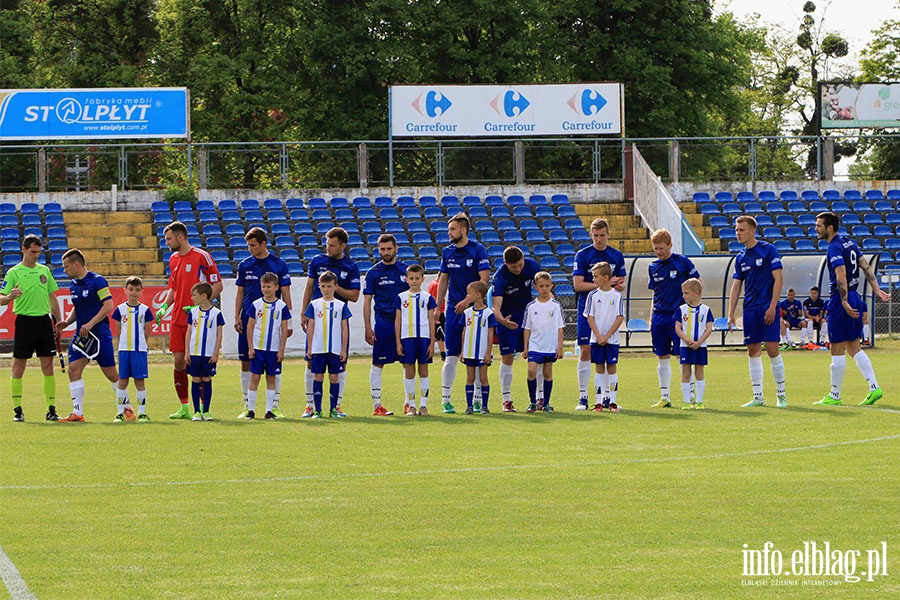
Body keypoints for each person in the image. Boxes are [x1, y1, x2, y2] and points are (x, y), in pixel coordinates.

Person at [812, 212, 890, 406]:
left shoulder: (834, 247)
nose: (816, 228)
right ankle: (874, 387)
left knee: (836, 347)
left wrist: (844, 301)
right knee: (853, 347)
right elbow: (865, 266)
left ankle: (835, 395)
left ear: (830, 228)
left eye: (819, 225)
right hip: (855, 295)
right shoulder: (849, 242)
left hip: (842, 299)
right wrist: (877, 290)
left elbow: (841, 273)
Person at [156, 221, 222, 419]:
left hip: (199, 320)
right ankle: (184, 406)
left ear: (180, 237)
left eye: (168, 238)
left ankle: (203, 408)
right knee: (178, 362)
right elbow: (174, 288)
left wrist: (200, 306)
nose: (166, 242)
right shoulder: (173, 259)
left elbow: (217, 285)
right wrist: (165, 307)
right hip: (178, 317)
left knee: (198, 363)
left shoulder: (202, 257)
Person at [727, 215, 788, 408]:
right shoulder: (740, 258)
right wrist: (730, 313)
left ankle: (781, 394)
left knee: (772, 350)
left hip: (767, 307)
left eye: (741, 230)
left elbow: (778, 279)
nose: (738, 233)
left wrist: (772, 307)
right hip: (750, 310)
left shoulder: (768, 250)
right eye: (737, 230)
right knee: (752, 350)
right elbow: (736, 286)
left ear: (752, 231)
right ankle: (758, 396)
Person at [0, 234, 62, 422]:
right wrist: (10, 297)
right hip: (25, 323)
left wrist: (58, 322)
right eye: (33, 252)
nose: (36, 256)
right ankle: (18, 410)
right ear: (24, 249)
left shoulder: (44, 270)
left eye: (39, 252)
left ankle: (51, 409)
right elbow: (1, 297)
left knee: (48, 366)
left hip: (44, 322)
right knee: (19, 366)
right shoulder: (14, 273)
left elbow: (52, 297)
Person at [300, 227, 359, 417]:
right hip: (316, 320)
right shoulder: (317, 261)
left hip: (337, 320)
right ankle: (310, 404)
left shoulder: (350, 266)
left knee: (340, 364)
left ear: (343, 245)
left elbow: (355, 296)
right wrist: (303, 312)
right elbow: (309, 287)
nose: (329, 248)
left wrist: (335, 288)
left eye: (333, 245)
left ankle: (337, 405)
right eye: (327, 244)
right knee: (311, 363)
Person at [234, 227, 292, 419]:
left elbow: (286, 293)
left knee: (274, 363)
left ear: (263, 244)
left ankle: (273, 406)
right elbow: (240, 292)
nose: (249, 248)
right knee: (245, 362)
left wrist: (288, 321)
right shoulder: (244, 265)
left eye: (252, 245)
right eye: (248, 245)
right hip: (249, 319)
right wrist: (236, 316)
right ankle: (247, 405)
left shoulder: (278, 264)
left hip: (273, 322)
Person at [436, 213, 491, 414]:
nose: (449, 233)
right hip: (453, 309)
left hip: (475, 310)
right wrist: (438, 305)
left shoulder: (477, 250)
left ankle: (477, 399)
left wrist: (468, 300)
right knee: (450, 355)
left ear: (463, 230)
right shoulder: (447, 252)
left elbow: (484, 281)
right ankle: (446, 399)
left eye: (452, 229)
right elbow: (443, 280)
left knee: (476, 356)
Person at [55, 249, 119, 422]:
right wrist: (67, 322)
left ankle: (126, 408)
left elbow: (108, 305)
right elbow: (78, 307)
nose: (65, 270)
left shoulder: (97, 281)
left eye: (66, 267)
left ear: (77, 264)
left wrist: (91, 323)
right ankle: (77, 412)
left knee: (111, 374)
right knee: (73, 370)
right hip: (82, 336)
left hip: (99, 335)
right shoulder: (74, 284)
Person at [573, 218, 626, 410]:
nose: (599, 239)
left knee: (605, 356)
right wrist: (602, 284)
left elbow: (620, 283)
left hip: (608, 312)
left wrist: (616, 285)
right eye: (595, 236)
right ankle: (583, 396)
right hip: (587, 309)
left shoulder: (616, 255)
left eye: (602, 235)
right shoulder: (583, 254)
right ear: (591, 235)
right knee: (586, 350)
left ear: (608, 234)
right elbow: (578, 285)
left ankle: (606, 399)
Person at [646, 228, 700, 408]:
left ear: (670, 245)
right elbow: (655, 293)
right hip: (659, 317)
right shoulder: (653, 267)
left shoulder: (682, 262)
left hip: (678, 317)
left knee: (681, 355)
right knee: (661, 356)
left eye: (661, 248)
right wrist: (650, 317)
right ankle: (665, 396)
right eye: (655, 249)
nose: (658, 252)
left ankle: (691, 396)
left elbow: (697, 285)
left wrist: (692, 309)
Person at [364, 233, 409, 416]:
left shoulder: (405, 271)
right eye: (382, 249)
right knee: (378, 363)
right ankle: (377, 405)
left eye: (389, 248)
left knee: (407, 363)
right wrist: (368, 327)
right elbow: (367, 301)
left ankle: (409, 403)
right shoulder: (373, 273)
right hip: (383, 322)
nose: (386, 252)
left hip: (405, 323)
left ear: (396, 249)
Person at [491, 246, 541, 413]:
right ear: (506, 264)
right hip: (508, 319)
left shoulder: (532, 266)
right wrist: (503, 321)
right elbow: (496, 308)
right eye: (514, 267)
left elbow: (544, 287)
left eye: (520, 265)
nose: (518, 269)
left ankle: (540, 398)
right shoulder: (500, 277)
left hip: (529, 318)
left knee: (537, 356)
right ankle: (506, 400)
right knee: (507, 358)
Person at [304, 271, 351, 419]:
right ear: (319, 286)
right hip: (318, 348)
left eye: (329, 286)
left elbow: (345, 328)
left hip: (335, 349)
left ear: (336, 286)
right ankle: (317, 410)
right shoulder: (314, 305)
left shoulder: (341, 305)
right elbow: (310, 327)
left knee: (334, 377)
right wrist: (310, 347)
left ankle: (333, 409)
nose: (326, 289)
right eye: (323, 286)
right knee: (317, 376)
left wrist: (343, 349)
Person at [245, 272, 292, 420]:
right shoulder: (256, 305)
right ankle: (250, 410)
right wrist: (251, 347)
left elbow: (285, 330)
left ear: (276, 287)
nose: (266, 289)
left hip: (273, 349)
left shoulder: (282, 306)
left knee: (271, 378)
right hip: (258, 348)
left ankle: (269, 410)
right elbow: (250, 327)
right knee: (255, 377)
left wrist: (282, 350)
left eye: (269, 286)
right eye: (263, 286)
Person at [395, 263, 437, 416]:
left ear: (423, 279)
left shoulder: (428, 298)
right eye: (411, 278)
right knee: (409, 370)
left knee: (424, 369)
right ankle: (411, 405)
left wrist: (432, 343)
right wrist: (398, 341)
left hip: (424, 338)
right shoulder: (401, 297)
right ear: (406, 279)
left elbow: (432, 321)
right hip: (407, 338)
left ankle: (423, 405)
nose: (414, 281)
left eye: (417, 278)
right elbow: (398, 320)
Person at [110, 276, 154, 422]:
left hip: (139, 350)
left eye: (137, 290)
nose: (134, 292)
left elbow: (147, 331)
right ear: (125, 290)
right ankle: (120, 412)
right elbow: (118, 331)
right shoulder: (120, 310)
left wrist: (142, 344)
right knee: (122, 381)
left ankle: (142, 413)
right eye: (131, 289)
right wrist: (122, 344)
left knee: (140, 381)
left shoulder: (145, 310)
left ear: (141, 291)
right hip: (124, 350)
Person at [583, 262, 625, 412]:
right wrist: (599, 336)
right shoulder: (592, 295)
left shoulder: (617, 296)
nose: (593, 279)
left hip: (612, 340)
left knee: (612, 368)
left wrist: (607, 336)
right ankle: (599, 402)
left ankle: (612, 402)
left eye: (595, 276)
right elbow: (590, 317)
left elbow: (620, 317)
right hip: (596, 340)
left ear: (606, 277)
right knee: (599, 368)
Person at [522, 271, 565, 413]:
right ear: (535, 287)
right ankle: (532, 402)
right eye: (541, 286)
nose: (544, 288)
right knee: (531, 370)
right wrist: (526, 347)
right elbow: (527, 328)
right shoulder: (531, 306)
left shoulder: (555, 306)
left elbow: (560, 327)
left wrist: (560, 347)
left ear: (552, 286)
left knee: (547, 373)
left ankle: (546, 403)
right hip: (535, 345)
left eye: (547, 285)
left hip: (550, 345)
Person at [184, 283, 224, 421]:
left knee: (207, 379)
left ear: (204, 296)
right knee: (195, 379)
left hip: (208, 354)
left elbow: (219, 334)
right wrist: (187, 352)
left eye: (194, 295)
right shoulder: (193, 313)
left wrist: (216, 353)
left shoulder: (216, 313)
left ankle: (206, 411)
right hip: (194, 353)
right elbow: (188, 332)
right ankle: (196, 412)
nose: (192, 298)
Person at [675, 278, 714, 410]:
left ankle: (699, 401)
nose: (683, 296)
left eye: (686, 293)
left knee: (699, 373)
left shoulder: (706, 310)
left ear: (696, 293)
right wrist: (686, 340)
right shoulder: (681, 309)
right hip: (685, 346)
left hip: (700, 346)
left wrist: (699, 342)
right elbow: (678, 328)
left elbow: (709, 328)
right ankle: (686, 401)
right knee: (686, 373)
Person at [460, 281, 495, 414]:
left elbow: (490, 334)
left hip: (482, 352)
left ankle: (484, 406)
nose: (467, 296)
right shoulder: (467, 313)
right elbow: (464, 332)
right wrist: (463, 351)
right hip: (469, 351)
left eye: (470, 293)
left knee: (483, 377)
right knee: (470, 378)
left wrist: (488, 352)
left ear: (478, 295)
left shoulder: (488, 313)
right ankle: (469, 406)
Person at [427, 277, 446, 361]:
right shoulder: (436, 285)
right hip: (438, 312)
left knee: (437, 334)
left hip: (437, 311)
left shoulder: (432, 283)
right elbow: (434, 298)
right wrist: (436, 311)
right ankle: (443, 354)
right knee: (440, 334)